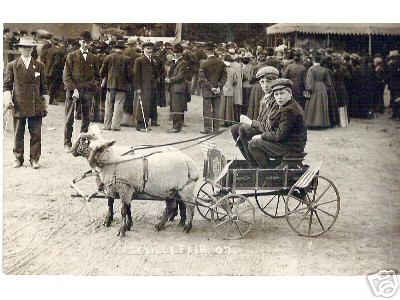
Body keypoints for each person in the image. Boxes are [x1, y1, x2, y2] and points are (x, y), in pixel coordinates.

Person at [3, 36, 49, 169]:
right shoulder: (13, 65)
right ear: (19, 48)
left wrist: (45, 105)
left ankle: (34, 159)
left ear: (32, 49)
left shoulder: (39, 65)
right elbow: (6, 86)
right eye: (24, 47)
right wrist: (7, 99)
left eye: (29, 47)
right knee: (18, 133)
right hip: (19, 104)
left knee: (36, 134)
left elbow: (44, 87)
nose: (27, 50)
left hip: (36, 105)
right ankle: (18, 158)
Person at [246, 78, 307, 168]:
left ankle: (267, 173)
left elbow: (279, 135)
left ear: (290, 93)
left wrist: (261, 136)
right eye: (276, 94)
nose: (279, 97)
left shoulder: (289, 110)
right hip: (290, 143)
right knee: (253, 140)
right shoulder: (287, 105)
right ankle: (260, 168)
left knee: (253, 144)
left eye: (282, 93)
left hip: (291, 147)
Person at [231, 66, 280, 166]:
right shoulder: (264, 98)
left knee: (244, 129)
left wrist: (250, 123)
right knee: (235, 128)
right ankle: (251, 160)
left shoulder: (277, 98)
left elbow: (270, 127)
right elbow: (261, 120)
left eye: (269, 82)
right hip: (267, 130)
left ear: (276, 82)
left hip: (275, 134)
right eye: (262, 82)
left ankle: (253, 164)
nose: (265, 85)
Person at [63, 31, 100, 152]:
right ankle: (67, 143)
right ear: (80, 42)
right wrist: (74, 89)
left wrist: (91, 87)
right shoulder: (71, 56)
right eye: (84, 42)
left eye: (88, 43)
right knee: (69, 118)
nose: (85, 44)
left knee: (86, 118)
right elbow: (66, 76)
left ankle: (82, 143)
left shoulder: (93, 58)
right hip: (73, 92)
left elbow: (97, 77)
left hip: (87, 92)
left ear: (90, 44)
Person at [100, 40, 131, 131]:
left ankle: (107, 125)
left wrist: (105, 77)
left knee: (108, 105)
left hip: (110, 85)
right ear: (123, 49)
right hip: (122, 86)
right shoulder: (127, 59)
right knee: (118, 105)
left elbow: (102, 72)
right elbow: (129, 74)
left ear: (115, 48)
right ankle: (115, 126)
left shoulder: (108, 57)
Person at [198, 41, 227, 134]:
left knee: (207, 110)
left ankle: (207, 128)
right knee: (216, 109)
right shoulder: (221, 62)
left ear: (206, 51)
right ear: (214, 51)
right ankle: (216, 129)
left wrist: (211, 87)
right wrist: (218, 87)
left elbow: (202, 78)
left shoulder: (203, 63)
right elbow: (224, 76)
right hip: (218, 91)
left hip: (207, 90)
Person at [133, 41, 158, 131]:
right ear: (143, 50)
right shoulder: (139, 60)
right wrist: (138, 87)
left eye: (151, 49)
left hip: (150, 86)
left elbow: (155, 73)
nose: (149, 50)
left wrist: (155, 82)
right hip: (143, 86)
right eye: (147, 49)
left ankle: (145, 123)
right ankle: (139, 125)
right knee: (142, 105)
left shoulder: (152, 60)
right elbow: (136, 74)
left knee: (148, 105)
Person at [305, 53, 333, 129]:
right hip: (322, 87)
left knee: (313, 106)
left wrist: (308, 89)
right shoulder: (324, 69)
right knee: (322, 106)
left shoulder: (311, 69)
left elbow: (309, 81)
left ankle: (312, 123)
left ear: (314, 60)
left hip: (314, 87)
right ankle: (322, 123)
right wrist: (324, 87)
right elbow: (329, 83)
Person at [165, 43, 189, 133]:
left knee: (177, 108)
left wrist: (169, 80)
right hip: (174, 88)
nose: (176, 54)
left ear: (181, 53)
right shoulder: (174, 62)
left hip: (178, 88)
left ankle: (176, 127)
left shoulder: (182, 63)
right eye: (175, 52)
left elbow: (180, 76)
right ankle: (176, 126)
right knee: (174, 107)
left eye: (178, 52)